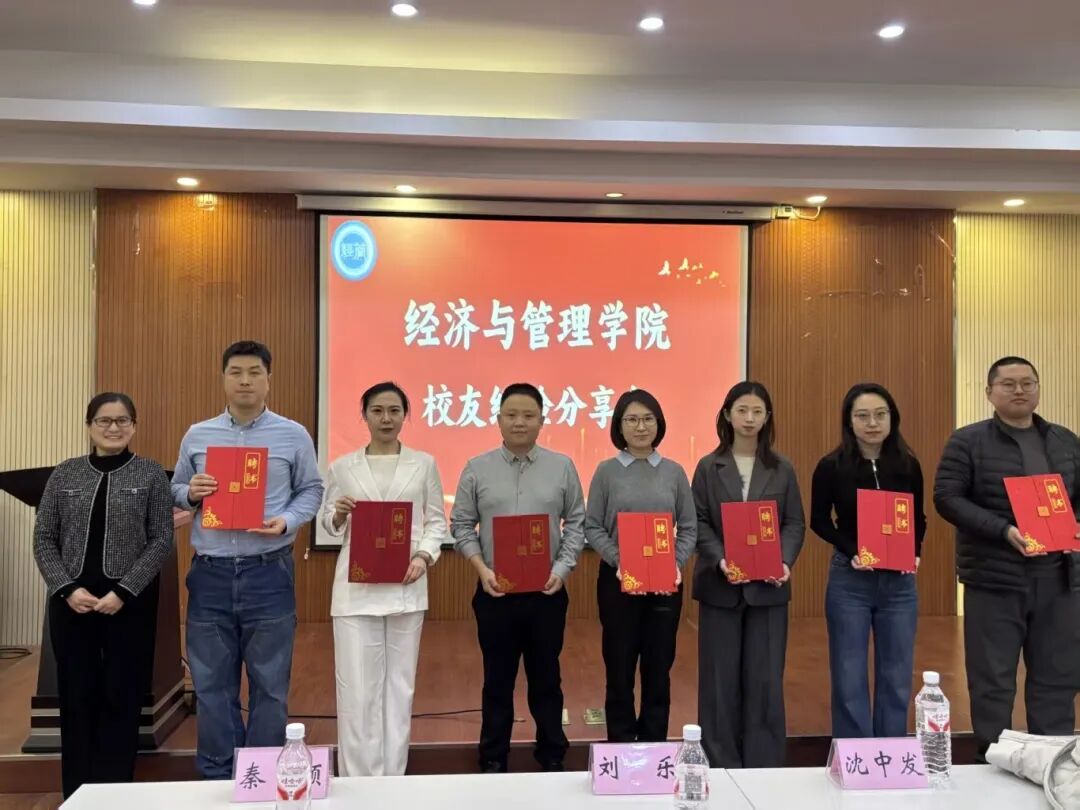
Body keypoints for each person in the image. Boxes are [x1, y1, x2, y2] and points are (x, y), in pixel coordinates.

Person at [171, 341, 324, 779]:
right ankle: (219, 776)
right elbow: (176, 489)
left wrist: (287, 521)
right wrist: (190, 492)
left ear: (268, 380)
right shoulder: (198, 435)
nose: (244, 381)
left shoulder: (293, 434)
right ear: (223, 379)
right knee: (211, 685)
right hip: (211, 574)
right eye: (235, 372)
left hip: (268, 572)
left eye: (254, 372)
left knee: (270, 686)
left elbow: (312, 489)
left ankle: (263, 776)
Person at [935, 356, 1080, 759]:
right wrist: (1003, 530)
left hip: (1059, 578)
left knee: (1057, 678)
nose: (1020, 390)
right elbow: (947, 497)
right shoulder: (968, 441)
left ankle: (1053, 763)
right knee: (993, 681)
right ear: (989, 392)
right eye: (1009, 384)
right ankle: (993, 763)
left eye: (1028, 383)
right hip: (994, 579)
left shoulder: (1065, 440)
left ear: (1038, 389)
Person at [32, 393, 174, 799]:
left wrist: (123, 591)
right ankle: (78, 794)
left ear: (134, 426)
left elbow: (161, 539)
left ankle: (114, 795)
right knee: (76, 697)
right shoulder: (65, 473)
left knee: (121, 697)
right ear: (89, 426)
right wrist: (67, 588)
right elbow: (44, 538)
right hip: (71, 604)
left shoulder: (150, 474)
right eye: (104, 420)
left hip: (128, 605)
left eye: (122, 420)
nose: (114, 428)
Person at [450, 382, 586, 773]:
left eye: (528, 415)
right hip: (495, 591)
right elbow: (461, 525)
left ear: (542, 421)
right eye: (511, 415)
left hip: (547, 592)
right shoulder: (477, 468)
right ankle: (493, 756)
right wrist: (481, 569)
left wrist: (562, 569)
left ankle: (552, 753)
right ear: (498, 420)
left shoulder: (562, 466)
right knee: (497, 679)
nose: (519, 422)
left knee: (547, 677)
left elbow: (576, 522)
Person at [318, 382, 447, 776]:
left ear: (405, 415)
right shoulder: (343, 467)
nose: (386, 419)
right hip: (356, 590)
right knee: (358, 689)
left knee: (399, 688)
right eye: (377, 411)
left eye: (394, 410)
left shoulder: (424, 463)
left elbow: (436, 521)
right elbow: (327, 524)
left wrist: (424, 555)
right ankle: (360, 781)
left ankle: (393, 779)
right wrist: (339, 514)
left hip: (407, 583)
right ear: (364, 416)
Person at [692, 381, 805, 768]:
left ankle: (764, 765)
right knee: (719, 682)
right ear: (727, 415)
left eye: (757, 411)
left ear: (767, 418)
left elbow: (794, 523)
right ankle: (720, 763)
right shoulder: (708, 467)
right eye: (742, 410)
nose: (749, 419)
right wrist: (720, 559)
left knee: (765, 680)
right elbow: (698, 521)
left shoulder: (782, 468)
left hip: (768, 589)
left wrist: (784, 562)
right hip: (720, 587)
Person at [811, 383, 926, 740]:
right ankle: (856, 755)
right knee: (849, 673)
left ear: (893, 418)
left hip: (899, 583)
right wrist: (852, 551)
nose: (872, 423)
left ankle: (890, 750)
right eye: (862, 416)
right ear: (849, 421)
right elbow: (819, 521)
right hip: (851, 581)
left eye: (880, 415)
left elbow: (918, 518)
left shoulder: (908, 465)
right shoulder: (831, 466)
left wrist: (915, 551)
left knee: (897, 673)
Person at [585, 389, 696, 743]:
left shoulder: (674, 472)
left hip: (665, 583)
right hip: (618, 582)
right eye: (631, 419)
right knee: (619, 669)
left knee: (658, 669)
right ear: (619, 426)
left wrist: (675, 563)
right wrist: (620, 560)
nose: (641, 426)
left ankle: (653, 746)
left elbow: (689, 526)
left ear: (659, 423)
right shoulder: (606, 472)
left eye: (648, 419)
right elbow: (592, 526)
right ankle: (620, 746)